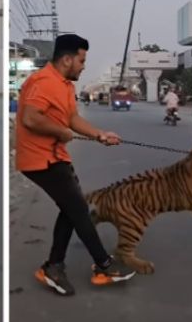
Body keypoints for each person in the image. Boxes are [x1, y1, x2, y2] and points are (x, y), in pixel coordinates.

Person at [15, 33, 136, 296]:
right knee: (78, 208)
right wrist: (59, 132)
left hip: (55, 157)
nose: (84, 65)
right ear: (67, 59)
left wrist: (100, 134)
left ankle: (53, 266)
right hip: (40, 159)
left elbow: (71, 118)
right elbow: (30, 118)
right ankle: (104, 264)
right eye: (81, 60)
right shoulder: (44, 81)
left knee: (71, 209)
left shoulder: (65, 85)